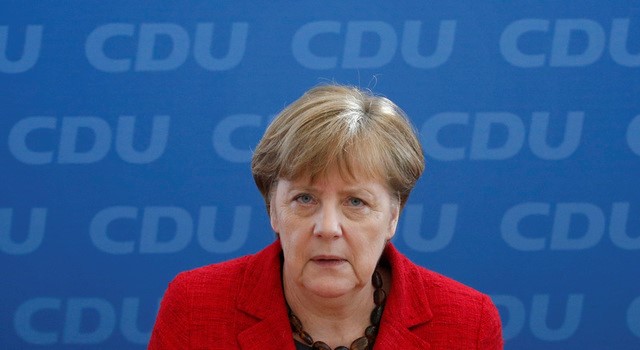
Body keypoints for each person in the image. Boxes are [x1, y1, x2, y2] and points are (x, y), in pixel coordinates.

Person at [148, 84, 503, 349]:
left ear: (394, 214)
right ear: (273, 208)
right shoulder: (195, 307)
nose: (328, 228)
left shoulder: (467, 324)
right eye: (305, 198)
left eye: (356, 202)